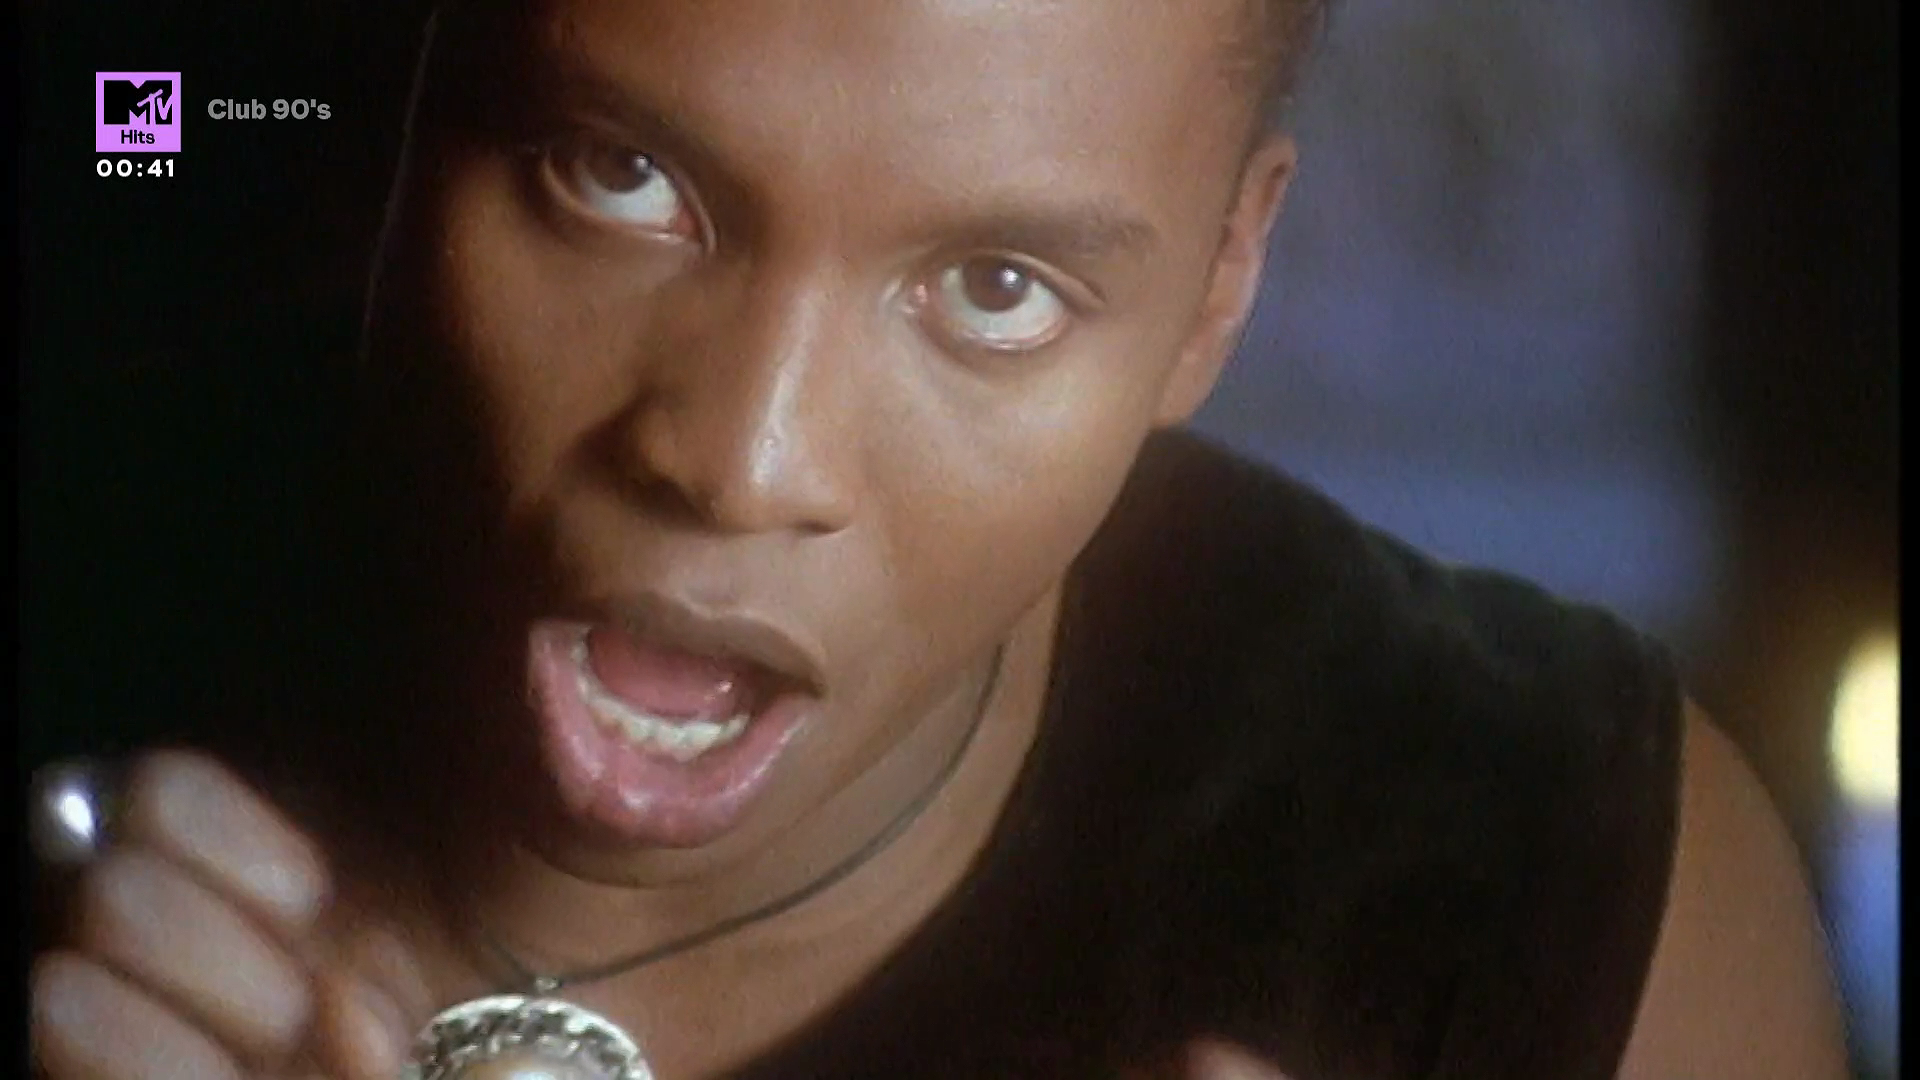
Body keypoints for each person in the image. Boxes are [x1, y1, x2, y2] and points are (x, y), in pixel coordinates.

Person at [28, 1, 1850, 1077]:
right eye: (624, 176)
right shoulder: (97, 540)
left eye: (996, 289)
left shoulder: (1563, 895)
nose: (741, 460)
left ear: (1221, 288)